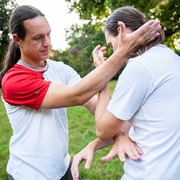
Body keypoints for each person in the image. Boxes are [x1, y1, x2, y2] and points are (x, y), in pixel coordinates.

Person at [0, 5, 161, 180]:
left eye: (48, 34)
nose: (47, 42)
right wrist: (124, 51)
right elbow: (76, 95)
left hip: (64, 168)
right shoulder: (14, 80)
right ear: (18, 40)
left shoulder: (61, 69)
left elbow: (94, 103)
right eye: (38, 38)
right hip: (29, 174)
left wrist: (120, 133)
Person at [71, 6, 180, 180]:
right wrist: (94, 145)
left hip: (147, 173)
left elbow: (103, 129)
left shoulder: (139, 67)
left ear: (120, 30)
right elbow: (136, 123)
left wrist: (103, 75)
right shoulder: (172, 58)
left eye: (110, 44)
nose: (113, 50)